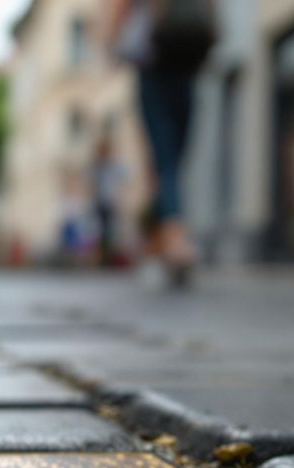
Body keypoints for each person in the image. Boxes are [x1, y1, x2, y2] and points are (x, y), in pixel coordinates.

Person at [108, 0, 215, 286]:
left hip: (172, 58)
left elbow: (121, 7)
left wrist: (112, 46)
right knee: (168, 155)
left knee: (170, 156)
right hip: (164, 59)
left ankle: (160, 237)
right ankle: (174, 238)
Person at [90, 135, 127, 267]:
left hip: (111, 202)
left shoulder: (114, 166)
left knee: (111, 230)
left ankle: (111, 257)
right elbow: (91, 184)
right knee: (99, 230)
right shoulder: (96, 166)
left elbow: (124, 180)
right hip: (99, 203)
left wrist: (120, 197)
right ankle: (102, 257)